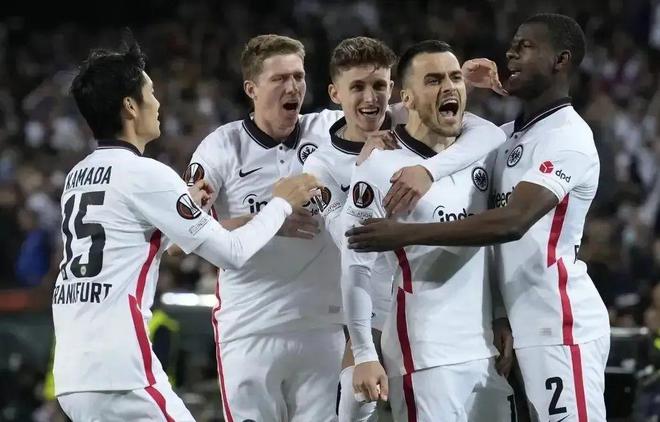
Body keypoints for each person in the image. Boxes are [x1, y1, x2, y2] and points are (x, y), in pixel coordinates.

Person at [347, 14, 611, 421]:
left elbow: (511, 222)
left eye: (526, 47)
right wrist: (387, 122)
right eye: (513, 45)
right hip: (511, 331)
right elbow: (458, 125)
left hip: (560, 322)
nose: (510, 53)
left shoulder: (568, 137)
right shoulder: (506, 137)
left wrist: (406, 233)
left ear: (560, 60)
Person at [52, 33, 320, 422]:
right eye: (151, 93)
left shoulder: (78, 176)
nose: (158, 103)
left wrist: (185, 207)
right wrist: (280, 203)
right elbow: (232, 254)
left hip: (72, 374)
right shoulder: (146, 174)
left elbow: (129, 243)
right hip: (121, 373)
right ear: (130, 106)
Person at [302, 36, 512, 421]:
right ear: (335, 94)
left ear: (393, 94)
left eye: (378, 86)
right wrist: (364, 352)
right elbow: (352, 248)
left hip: (478, 343)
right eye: (357, 87)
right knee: (357, 403)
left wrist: (427, 170)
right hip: (398, 324)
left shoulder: (458, 141)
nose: (371, 98)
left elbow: (489, 132)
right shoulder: (339, 165)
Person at [184, 34, 347, 422]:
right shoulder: (221, 147)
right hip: (250, 328)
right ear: (251, 89)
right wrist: (271, 219)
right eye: (279, 79)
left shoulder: (329, 128)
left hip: (322, 327)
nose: (293, 87)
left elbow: (397, 110)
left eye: (298, 76)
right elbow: (183, 235)